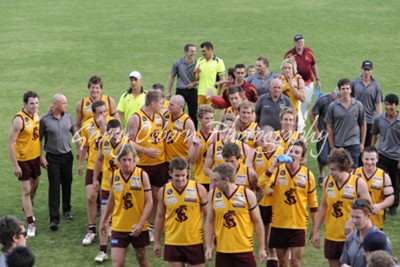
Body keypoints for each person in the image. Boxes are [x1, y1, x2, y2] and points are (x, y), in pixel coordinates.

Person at [311, 148, 371, 267]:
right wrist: (315, 231)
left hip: (352, 237)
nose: (330, 172)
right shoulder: (328, 181)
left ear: (343, 168)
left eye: (333, 169)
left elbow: (368, 206)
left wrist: (351, 221)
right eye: (329, 169)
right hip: (331, 235)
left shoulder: (357, 183)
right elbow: (323, 206)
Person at [263, 140, 318, 267]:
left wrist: (315, 228)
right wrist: (272, 166)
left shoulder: (308, 175)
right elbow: (262, 184)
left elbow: (313, 203)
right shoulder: (277, 170)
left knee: (296, 263)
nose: (293, 154)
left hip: (298, 226)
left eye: (297, 152)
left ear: (302, 156)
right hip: (279, 224)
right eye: (291, 151)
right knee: (282, 263)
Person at [99, 143, 153, 267]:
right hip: (119, 227)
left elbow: (149, 202)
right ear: (118, 160)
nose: (127, 163)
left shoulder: (142, 175)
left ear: (134, 160)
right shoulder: (114, 176)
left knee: (142, 261)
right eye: (124, 160)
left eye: (130, 160)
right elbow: (111, 201)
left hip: (139, 228)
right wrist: (104, 221)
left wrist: (140, 225)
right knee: (117, 264)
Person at [127, 90, 169, 243]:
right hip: (142, 164)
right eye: (161, 103)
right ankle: (138, 225)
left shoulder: (160, 117)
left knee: (157, 196)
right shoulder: (136, 118)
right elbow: (128, 141)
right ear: (153, 103)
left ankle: (151, 227)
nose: (163, 105)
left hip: (159, 163)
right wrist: (145, 150)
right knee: (140, 197)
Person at [205, 163, 267, 266]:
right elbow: (210, 221)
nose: (213, 183)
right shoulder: (212, 194)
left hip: (244, 250)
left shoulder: (247, 194)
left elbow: (258, 221)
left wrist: (261, 248)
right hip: (222, 251)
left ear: (226, 180)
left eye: (216, 180)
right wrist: (209, 246)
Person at [153, 158, 208, 266]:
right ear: (170, 173)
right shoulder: (163, 191)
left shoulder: (199, 189)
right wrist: (156, 241)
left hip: (194, 241)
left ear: (188, 172)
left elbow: (208, 217)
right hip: (173, 241)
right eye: (177, 176)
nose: (180, 179)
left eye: (183, 175)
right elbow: (160, 217)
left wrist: (209, 241)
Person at [246, 125, 285, 267]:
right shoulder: (255, 153)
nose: (264, 144)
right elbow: (248, 171)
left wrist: (273, 187)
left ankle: (277, 258)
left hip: (276, 199)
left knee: (273, 237)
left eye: (267, 140)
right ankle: (271, 258)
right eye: (261, 141)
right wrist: (258, 186)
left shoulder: (282, 153)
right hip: (261, 198)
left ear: (274, 139)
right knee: (264, 230)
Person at [92, 119, 130, 263]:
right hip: (107, 187)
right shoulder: (104, 142)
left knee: (123, 217)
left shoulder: (127, 143)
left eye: (118, 133)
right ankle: (102, 250)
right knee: (105, 217)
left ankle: (123, 244)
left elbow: (132, 164)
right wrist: (95, 179)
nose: (115, 137)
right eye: (112, 133)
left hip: (123, 187)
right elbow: (99, 160)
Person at [77, 100, 112, 246]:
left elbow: (114, 140)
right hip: (92, 165)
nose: (103, 114)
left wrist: (104, 126)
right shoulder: (87, 125)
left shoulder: (112, 122)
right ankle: (91, 229)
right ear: (93, 113)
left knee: (110, 199)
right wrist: (80, 164)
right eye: (99, 112)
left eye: (105, 111)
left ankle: (109, 225)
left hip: (109, 166)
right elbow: (85, 145)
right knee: (91, 196)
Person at [39, 94, 76, 231]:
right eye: (63, 103)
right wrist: (41, 157)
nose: (66, 105)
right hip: (52, 158)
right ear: (55, 104)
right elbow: (39, 139)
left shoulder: (68, 117)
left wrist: (80, 148)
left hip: (67, 156)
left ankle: (67, 209)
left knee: (67, 183)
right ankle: (54, 218)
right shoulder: (45, 121)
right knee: (54, 187)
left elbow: (75, 133)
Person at [7, 91, 41, 237]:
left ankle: (27, 206)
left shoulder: (36, 115)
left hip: (35, 157)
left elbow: (35, 127)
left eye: (37, 103)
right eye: (32, 103)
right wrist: (15, 165)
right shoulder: (19, 120)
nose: (35, 106)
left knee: (36, 183)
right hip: (23, 159)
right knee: (26, 190)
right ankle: (30, 223)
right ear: (25, 104)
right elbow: (10, 143)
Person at [326, 78, 366, 168]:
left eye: (347, 88)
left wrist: (362, 143)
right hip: (339, 144)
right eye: (343, 89)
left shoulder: (358, 105)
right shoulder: (332, 106)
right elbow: (329, 126)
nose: (345, 91)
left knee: (353, 169)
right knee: (339, 169)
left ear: (351, 90)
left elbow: (363, 124)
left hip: (354, 143)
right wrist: (332, 146)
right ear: (339, 90)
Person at [340, 198, 392, 267]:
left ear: (368, 215)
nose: (354, 221)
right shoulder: (350, 237)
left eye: (358, 217)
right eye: (352, 217)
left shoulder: (380, 240)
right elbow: (344, 262)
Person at [371, 93, 400, 215]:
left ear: (396, 105)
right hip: (382, 155)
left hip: (396, 157)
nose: (388, 107)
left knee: (395, 183)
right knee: (379, 181)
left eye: (391, 105)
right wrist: (372, 150)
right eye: (386, 104)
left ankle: (393, 206)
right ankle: (379, 204)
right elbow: (374, 134)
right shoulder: (379, 119)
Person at [285, 34, 321, 129]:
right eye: (298, 42)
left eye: (302, 42)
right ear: (294, 43)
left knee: (306, 102)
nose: (300, 44)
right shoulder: (289, 55)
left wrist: (318, 79)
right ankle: (299, 124)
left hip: (309, 82)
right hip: (296, 83)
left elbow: (313, 65)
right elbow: (286, 69)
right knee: (298, 102)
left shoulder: (309, 52)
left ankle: (302, 121)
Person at [352, 146, 394, 230]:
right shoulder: (354, 174)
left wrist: (379, 206)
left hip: (375, 222)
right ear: (362, 159)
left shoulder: (384, 176)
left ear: (377, 159)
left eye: (372, 159)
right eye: (366, 159)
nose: (369, 162)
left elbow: (391, 197)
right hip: (356, 221)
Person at [203, 114, 252, 178]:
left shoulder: (244, 147)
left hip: (238, 184)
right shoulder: (213, 147)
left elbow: (249, 169)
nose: (228, 130)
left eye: (231, 127)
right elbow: (206, 169)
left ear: (236, 129)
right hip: (220, 184)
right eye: (225, 127)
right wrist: (216, 176)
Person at [309, 87, 340, 185]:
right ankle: (321, 173)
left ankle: (334, 176)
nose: (340, 99)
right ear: (333, 94)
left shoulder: (345, 101)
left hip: (338, 135)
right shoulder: (324, 100)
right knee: (322, 158)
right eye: (338, 96)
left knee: (338, 157)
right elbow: (312, 114)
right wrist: (316, 131)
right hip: (323, 133)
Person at [351, 60, 383, 147]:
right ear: (361, 69)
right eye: (365, 69)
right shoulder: (354, 83)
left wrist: (379, 120)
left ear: (371, 71)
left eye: (368, 70)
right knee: (355, 144)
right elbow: (350, 100)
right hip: (356, 119)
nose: (366, 72)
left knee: (367, 146)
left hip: (370, 120)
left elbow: (378, 103)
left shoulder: (376, 85)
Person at [167, 43, 198, 128]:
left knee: (194, 114)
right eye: (191, 51)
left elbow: (201, 78)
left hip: (193, 91)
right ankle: (177, 131)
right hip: (181, 91)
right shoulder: (178, 63)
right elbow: (172, 76)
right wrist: (169, 91)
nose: (193, 53)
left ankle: (193, 133)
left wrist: (194, 83)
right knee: (177, 112)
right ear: (186, 52)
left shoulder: (198, 63)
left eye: (194, 51)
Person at [164, 95, 197, 164]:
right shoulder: (166, 115)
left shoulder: (187, 122)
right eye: (169, 104)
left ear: (181, 107)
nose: (169, 107)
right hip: (165, 161)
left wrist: (186, 162)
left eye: (172, 105)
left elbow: (192, 145)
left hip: (179, 161)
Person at [191, 104, 216, 192]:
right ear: (200, 119)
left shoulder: (218, 135)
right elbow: (192, 160)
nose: (210, 121)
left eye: (212, 118)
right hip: (200, 178)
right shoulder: (194, 136)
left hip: (215, 178)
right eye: (206, 118)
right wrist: (197, 147)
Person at [279, 58, 306, 132]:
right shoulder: (279, 80)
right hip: (281, 111)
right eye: (285, 68)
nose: (287, 70)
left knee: (293, 136)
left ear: (293, 69)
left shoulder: (298, 80)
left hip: (293, 111)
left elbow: (303, 98)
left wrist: (293, 88)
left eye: (289, 68)